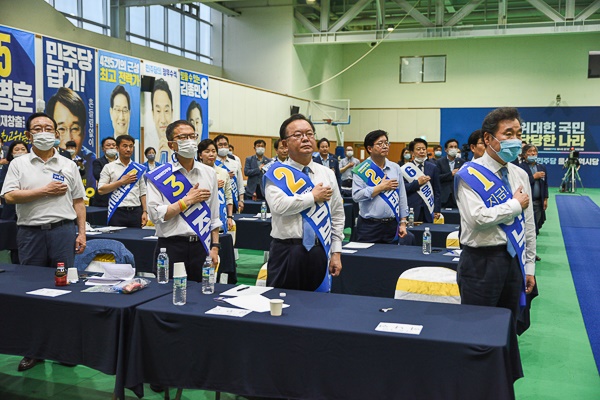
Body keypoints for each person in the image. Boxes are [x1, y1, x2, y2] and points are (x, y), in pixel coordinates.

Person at [454, 107, 536, 382]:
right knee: (477, 331)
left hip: (512, 261)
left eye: (519, 134)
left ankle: (500, 383)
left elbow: (528, 224)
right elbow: (476, 219)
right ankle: (475, 385)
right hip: (480, 264)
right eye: (508, 134)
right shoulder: (469, 174)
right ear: (489, 139)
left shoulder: (519, 174)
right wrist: (514, 204)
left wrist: (529, 266)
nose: (516, 140)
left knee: (506, 327)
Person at [0, 113, 86, 372]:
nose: (45, 132)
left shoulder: (68, 164)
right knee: (32, 292)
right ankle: (33, 349)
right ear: (29, 135)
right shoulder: (19, 164)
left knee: (64, 290)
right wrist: (43, 192)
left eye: (49, 128)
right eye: (38, 128)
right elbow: (9, 197)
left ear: (56, 134)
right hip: (30, 234)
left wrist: (81, 233)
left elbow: (79, 201)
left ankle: (64, 348)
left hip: (63, 232)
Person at [264, 114, 344, 291]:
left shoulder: (327, 173)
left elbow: (337, 214)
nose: (306, 138)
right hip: (287, 251)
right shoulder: (275, 173)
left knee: (317, 308)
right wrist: (312, 197)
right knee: (281, 307)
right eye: (298, 135)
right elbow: (279, 207)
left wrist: (336, 252)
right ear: (284, 144)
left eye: (309, 133)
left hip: (319, 249)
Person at [146, 120, 221, 282]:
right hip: (171, 247)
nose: (189, 141)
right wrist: (186, 201)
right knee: (166, 297)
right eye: (183, 137)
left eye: (192, 136)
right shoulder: (159, 175)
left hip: (201, 245)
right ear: (172, 144)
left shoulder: (209, 173)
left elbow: (214, 216)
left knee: (202, 296)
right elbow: (155, 215)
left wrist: (215, 247)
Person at [352, 130, 412, 245]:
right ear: (370, 148)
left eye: (386, 143)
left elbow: (402, 196)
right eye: (380, 144)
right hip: (369, 226)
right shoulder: (361, 169)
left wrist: (403, 222)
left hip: (391, 225)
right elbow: (356, 196)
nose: (385, 146)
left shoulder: (395, 168)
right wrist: (380, 187)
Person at [47, 87, 96, 187]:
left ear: (83, 132)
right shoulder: (43, 156)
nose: (69, 138)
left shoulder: (90, 159)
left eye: (74, 129)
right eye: (61, 129)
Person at [98, 134, 147, 228]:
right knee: (116, 241)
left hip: (136, 211)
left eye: (131, 146)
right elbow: (101, 190)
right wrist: (121, 182)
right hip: (117, 211)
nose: (128, 149)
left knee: (136, 240)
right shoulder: (109, 167)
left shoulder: (139, 168)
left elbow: (143, 192)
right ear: (117, 148)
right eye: (125, 146)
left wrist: (145, 211)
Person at [198, 138, 234, 233]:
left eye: (214, 151)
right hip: (201, 217)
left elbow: (228, 196)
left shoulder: (223, 172)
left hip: (220, 216)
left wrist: (229, 217)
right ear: (200, 155)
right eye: (207, 151)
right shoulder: (196, 172)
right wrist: (213, 187)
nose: (211, 154)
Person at [401, 138, 441, 223]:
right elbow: (403, 188)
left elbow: (437, 190)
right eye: (418, 149)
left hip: (428, 208)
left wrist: (437, 209)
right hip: (411, 207)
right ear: (412, 152)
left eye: (424, 149)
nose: (422, 151)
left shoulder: (433, 167)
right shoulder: (405, 168)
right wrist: (417, 183)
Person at [519, 144, 548, 240]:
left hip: (538, 202)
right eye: (530, 151)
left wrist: (545, 199)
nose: (533, 153)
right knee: (529, 226)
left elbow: (545, 184)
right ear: (524, 154)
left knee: (537, 224)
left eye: (534, 151)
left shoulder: (541, 167)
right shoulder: (520, 168)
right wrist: (533, 177)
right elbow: (520, 184)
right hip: (527, 201)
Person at [214, 134, 244, 212]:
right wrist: (225, 176)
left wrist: (241, 200)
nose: (223, 147)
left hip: (232, 200)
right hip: (217, 199)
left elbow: (240, 182)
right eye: (220, 145)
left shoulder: (235, 163)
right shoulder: (212, 163)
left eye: (225, 144)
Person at [0, 140, 28, 222]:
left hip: (29, 207)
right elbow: (2, 184)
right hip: (11, 208)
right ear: (11, 153)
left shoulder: (32, 166)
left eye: (23, 149)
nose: (20, 152)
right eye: (17, 149)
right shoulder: (6, 167)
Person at [436, 138, 465, 208]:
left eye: (455, 147)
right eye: (451, 147)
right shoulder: (439, 162)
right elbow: (437, 177)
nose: (453, 149)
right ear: (446, 150)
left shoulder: (462, 162)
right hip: (444, 197)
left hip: (458, 197)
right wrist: (451, 174)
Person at [150, 78, 173, 164]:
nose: (163, 120)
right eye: (158, 111)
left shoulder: (180, 145)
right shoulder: (148, 142)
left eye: (166, 111)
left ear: (172, 112)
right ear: (153, 113)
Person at [91, 137, 118, 207]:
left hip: (119, 196)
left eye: (114, 145)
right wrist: (119, 180)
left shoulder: (122, 162)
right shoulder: (98, 162)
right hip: (103, 199)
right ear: (103, 148)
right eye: (108, 145)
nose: (111, 147)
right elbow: (98, 176)